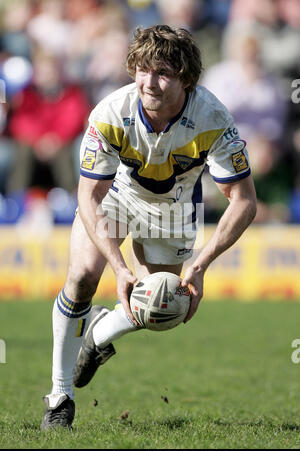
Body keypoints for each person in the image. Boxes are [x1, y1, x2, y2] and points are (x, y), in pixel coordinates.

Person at [40, 24, 257, 430]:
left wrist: (200, 266)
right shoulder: (110, 113)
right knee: (84, 276)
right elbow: (89, 197)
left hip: (174, 209)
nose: (149, 82)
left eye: (162, 73)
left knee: (162, 307)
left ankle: (97, 337)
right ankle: (59, 397)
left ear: (186, 79)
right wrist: (120, 268)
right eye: (142, 69)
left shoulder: (213, 118)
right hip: (118, 195)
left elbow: (244, 201)